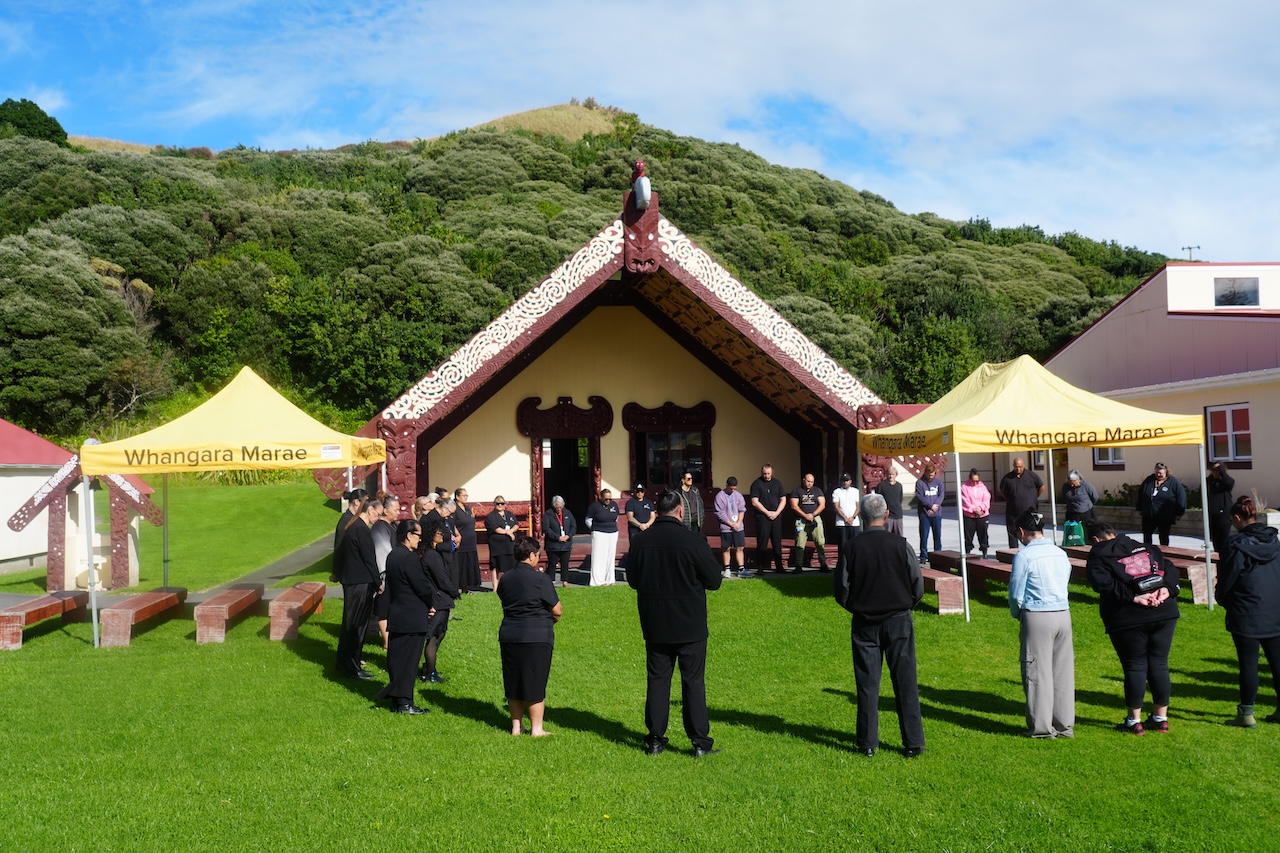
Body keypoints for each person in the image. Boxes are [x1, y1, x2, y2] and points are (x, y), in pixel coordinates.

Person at [624, 490, 724, 757]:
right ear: (681, 511)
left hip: (655, 621)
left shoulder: (642, 541)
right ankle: (700, 742)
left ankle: (656, 739)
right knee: (693, 682)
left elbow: (633, 579)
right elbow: (714, 580)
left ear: (657, 511)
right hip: (689, 623)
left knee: (657, 681)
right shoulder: (693, 540)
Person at [833, 492, 925, 758]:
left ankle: (868, 742)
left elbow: (842, 589)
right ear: (886, 515)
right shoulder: (901, 545)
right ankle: (913, 742)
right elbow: (916, 585)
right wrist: (905, 604)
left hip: (865, 623)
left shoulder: (851, 547)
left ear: (861, 516)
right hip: (898, 620)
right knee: (906, 682)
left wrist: (856, 606)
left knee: (867, 683)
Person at [1085, 520, 1180, 734]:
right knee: (1159, 663)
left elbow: (1103, 584)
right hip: (1164, 611)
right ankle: (1160, 717)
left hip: (1128, 617)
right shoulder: (1147, 547)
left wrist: (1134, 598)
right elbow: (1169, 568)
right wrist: (1167, 591)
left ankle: (1134, 721)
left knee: (1134, 665)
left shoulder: (1099, 554)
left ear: (1095, 539)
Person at [1008, 508, 1074, 738]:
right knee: (1062, 672)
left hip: (1037, 614)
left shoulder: (1024, 556)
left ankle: (1042, 728)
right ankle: (1064, 725)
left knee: (1036, 672)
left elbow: (1016, 591)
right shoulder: (1059, 552)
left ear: (1023, 531)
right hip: (1062, 613)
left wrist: (1017, 613)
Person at [1216, 496, 1280, 728]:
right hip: (1274, 609)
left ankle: (1246, 714)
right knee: (1277, 662)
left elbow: (1227, 579)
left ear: (1237, 518)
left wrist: (1221, 598)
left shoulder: (1235, 546)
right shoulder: (1275, 541)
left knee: (1249, 663)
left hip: (1247, 610)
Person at [498, 537, 562, 737]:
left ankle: (516, 727)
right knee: (535, 680)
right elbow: (557, 610)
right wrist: (549, 621)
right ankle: (537, 728)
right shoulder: (540, 579)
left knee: (513, 680)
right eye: (538, 555)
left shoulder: (505, 578)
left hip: (510, 633)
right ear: (532, 555)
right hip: (536, 634)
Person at [374, 519, 434, 715]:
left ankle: (397, 699)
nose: (420, 539)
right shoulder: (409, 558)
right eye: (418, 535)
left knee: (398, 659)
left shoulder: (393, 555)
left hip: (398, 614)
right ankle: (405, 703)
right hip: (412, 616)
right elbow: (422, 586)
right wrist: (431, 603)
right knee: (409, 662)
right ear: (409, 535)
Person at [336, 498, 382, 679]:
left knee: (351, 623)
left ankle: (345, 662)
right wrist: (378, 582)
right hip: (359, 583)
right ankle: (352, 666)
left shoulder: (353, 526)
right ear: (370, 510)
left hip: (354, 581)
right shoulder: (360, 529)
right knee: (356, 625)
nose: (377, 518)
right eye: (377, 514)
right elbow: (369, 559)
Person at [417, 518, 458, 684]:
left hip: (438, 598)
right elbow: (442, 579)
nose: (441, 534)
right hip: (438, 599)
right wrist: (454, 591)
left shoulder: (428, 552)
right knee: (434, 637)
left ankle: (429, 669)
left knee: (438, 635)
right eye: (438, 532)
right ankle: (430, 673)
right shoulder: (432, 555)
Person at [1135, 462, 1187, 547]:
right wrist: (1140, 508)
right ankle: (1148, 553)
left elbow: (1181, 497)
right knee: (1147, 534)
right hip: (1149, 514)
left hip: (1165, 515)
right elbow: (1141, 493)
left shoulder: (1173, 482)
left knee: (1164, 536)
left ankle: (1164, 554)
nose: (1158, 475)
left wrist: (1179, 513)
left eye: (1160, 473)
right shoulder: (1149, 480)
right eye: (1157, 473)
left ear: (1166, 472)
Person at [999, 458, 1044, 548]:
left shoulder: (1032, 475)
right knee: (1012, 533)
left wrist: (1034, 498)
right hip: (1013, 511)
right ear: (1013, 466)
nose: (1018, 469)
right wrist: (1011, 498)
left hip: (1029, 512)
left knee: (1032, 532)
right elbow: (1002, 491)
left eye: (1020, 467)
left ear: (1023, 465)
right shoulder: (1007, 478)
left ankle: (1033, 549)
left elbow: (1041, 487)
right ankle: (1013, 551)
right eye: (1016, 467)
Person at [750, 464, 786, 572]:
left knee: (777, 542)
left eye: (768, 473)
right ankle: (760, 567)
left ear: (772, 472)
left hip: (776, 517)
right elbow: (754, 502)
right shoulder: (756, 484)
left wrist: (776, 513)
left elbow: (783, 499)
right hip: (762, 517)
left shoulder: (778, 483)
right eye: (764, 473)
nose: (766, 476)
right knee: (762, 543)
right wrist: (767, 512)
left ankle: (779, 567)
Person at [790, 472, 829, 572]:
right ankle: (798, 565)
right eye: (808, 481)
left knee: (820, 542)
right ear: (804, 480)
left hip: (815, 518)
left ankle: (823, 564)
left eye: (811, 482)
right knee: (800, 543)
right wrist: (805, 515)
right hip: (801, 520)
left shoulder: (817, 490)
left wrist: (813, 514)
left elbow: (822, 504)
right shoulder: (797, 491)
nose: (810, 483)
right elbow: (794, 505)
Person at [713, 476, 751, 578]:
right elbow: (720, 513)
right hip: (726, 527)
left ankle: (741, 569)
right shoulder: (720, 496)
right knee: (726, 548)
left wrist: (738, 523)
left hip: (738, 526)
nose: (732, 490)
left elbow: (742, 510)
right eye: (731, 488)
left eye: (734, 489)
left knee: (740, 547)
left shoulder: (738, 496)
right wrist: (730, 523)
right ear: (726, 485)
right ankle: (727, 569)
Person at [331, 488, 367, 583]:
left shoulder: (353, 519)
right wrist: (336, 572)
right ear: (356, 502)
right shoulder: (346, 521)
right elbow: (339, 547)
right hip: (349, 574)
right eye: (364, 503)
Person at [585, 488, 620, 586]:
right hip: (599, 533)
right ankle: (598, 581)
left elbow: (616, 518)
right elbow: (588, 520)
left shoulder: (614, 505)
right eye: (606, 499)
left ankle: (609, 579)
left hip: (612, 533)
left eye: (610, 499)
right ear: (601, 497)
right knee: (598, 557)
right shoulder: (594, 506)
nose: (608, 501)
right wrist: (596, 528)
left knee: (610, 556)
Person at [541, 495, 577, 586]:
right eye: (557, 507)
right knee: (552, 563)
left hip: (566, 543)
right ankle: (551, 581)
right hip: (553, 544)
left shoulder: (568, 513)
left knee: (565, 563)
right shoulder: (548, 514)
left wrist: (568, 536)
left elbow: (573, 526)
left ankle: (565, 581)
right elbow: (546, 529)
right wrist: (557, 537)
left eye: (561, 507)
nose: (559, 509)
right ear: (554, 506)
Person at [831, 473, 861, 578]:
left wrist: (852, 518)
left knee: (855, 545)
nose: (845, 482)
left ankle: (855, 566)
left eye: (847, 480)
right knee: (843, 546)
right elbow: (836, 507)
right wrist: (845, 519)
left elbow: (858, 506)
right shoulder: (837, 492)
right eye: (844, 480)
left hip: (854, 523)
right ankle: (842, 567)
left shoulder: (856, 491)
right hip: (841, 523)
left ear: (850, 481)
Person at [485, 496, 519, 588]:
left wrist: (511, 531)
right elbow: (496, 529)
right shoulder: (491, 516)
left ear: (505, 504)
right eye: (497, 503)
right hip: (497, 546)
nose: (500, 505)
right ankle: (495, 588)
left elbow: (516, 525)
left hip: (510, 546)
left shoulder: (509, 514)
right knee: (496, 566)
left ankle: (512, 585)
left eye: (502, 503)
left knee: (512, 566)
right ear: (494, 504)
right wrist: (508, 532)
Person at [453, 487, 482, 593]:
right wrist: (457, 535)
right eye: (464, 495)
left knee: (469, 564)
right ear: (457, 497)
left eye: (467, 496)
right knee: (461, 564)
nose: (466, 497)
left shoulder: (468, 509)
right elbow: (453, 524)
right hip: (462, 542)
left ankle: (466, 587)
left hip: (471, 541)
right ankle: (458, 587)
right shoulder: (455, 509)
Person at [914, 463, 944, 565]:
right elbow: (920, 497)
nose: (930, 476)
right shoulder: (920, 483)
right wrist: (930, 506)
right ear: (925, 472)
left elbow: (941, 495)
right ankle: (923, 556)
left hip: (937, 514)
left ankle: (938, 555)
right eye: (929, 474)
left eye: (932, 474)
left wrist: (935, 506)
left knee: (937, 536)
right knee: (924, 536)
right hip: (924, 514)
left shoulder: (938, 482)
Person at [1206, 462, 1237, 556]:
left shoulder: (1226, 482)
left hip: (1224, 514)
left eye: (1217, 470)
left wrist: (1222, 471)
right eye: (1213, 470)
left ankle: (1225, 556)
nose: (1215, 472)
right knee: (1215, 539)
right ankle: (1218, 556)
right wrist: (1212, 476)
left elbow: (1229, 482)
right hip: (1212, 514)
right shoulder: (1210, 481)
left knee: (1224, 538)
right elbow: (1202, 486)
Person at [961, 469, 991, 559]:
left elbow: (987, 499)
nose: (975, 483)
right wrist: (974, 509)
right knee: (968, 535)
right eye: (973, 481)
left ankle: (984, 551)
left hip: (982, 515)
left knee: (983, 534)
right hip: (969, 515)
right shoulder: (964, 487)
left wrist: (981, 508)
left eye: (977, 481)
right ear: (970, 479)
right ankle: (967, 552)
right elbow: (965, 501)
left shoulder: (983, 487)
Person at [875, 466, 905, 537]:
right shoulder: (881, 485)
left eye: (893, 474)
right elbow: (878, 499)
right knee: (886, 536)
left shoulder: (899, 486)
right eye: (889, 474)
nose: (891, 476)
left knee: (899, 536)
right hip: (887, 516)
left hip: (898, 515)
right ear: (886, 474)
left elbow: (900, 499)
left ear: (896, 475)